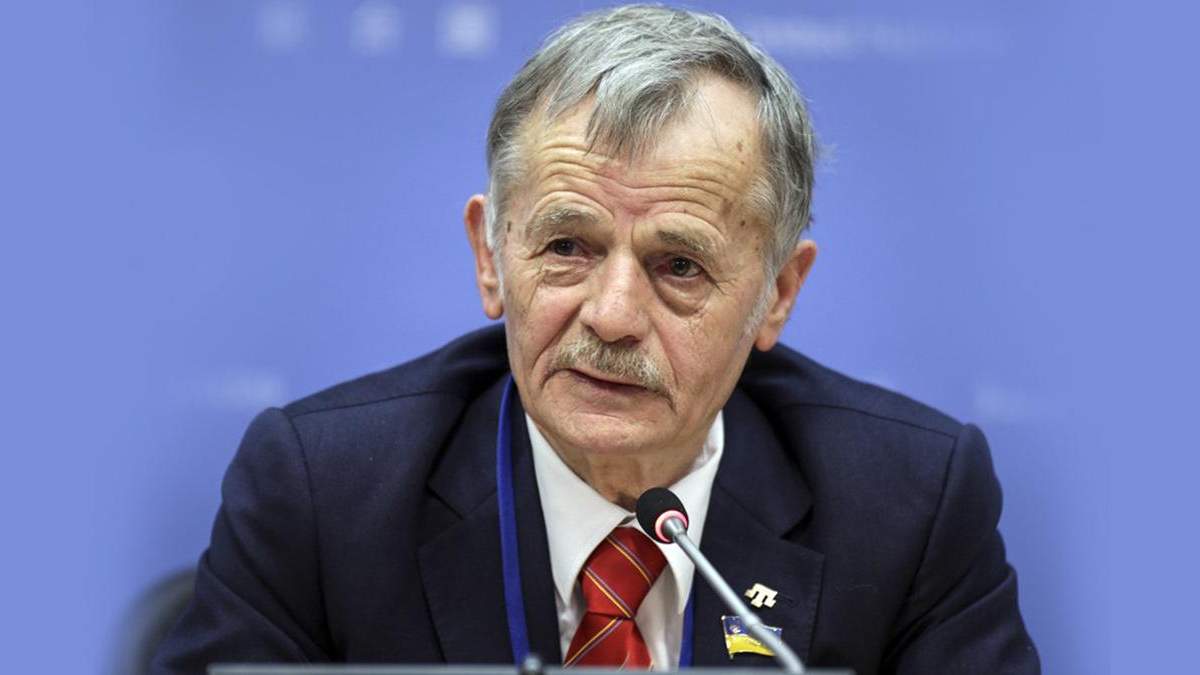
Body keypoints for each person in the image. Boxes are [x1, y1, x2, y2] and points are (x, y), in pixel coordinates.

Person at [152, 5, 1038, 674]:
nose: (611, 315)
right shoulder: (322, 492)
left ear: (778, 294)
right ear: (491, 257)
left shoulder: (910, 504)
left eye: (679, 265)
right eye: (567, 247)